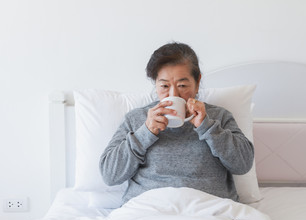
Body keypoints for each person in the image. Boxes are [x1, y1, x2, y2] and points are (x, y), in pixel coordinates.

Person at [100, 42, 254, 206]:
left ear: (197, 82)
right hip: (149, 209)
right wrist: (145, 133)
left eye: (182, 85)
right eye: (164, 86)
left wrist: (207, 127)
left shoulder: (218, 117)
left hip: (208, 209)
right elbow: (110, 175)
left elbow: (243, 165)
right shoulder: (137, 118)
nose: (173, 94)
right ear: (155, 84)